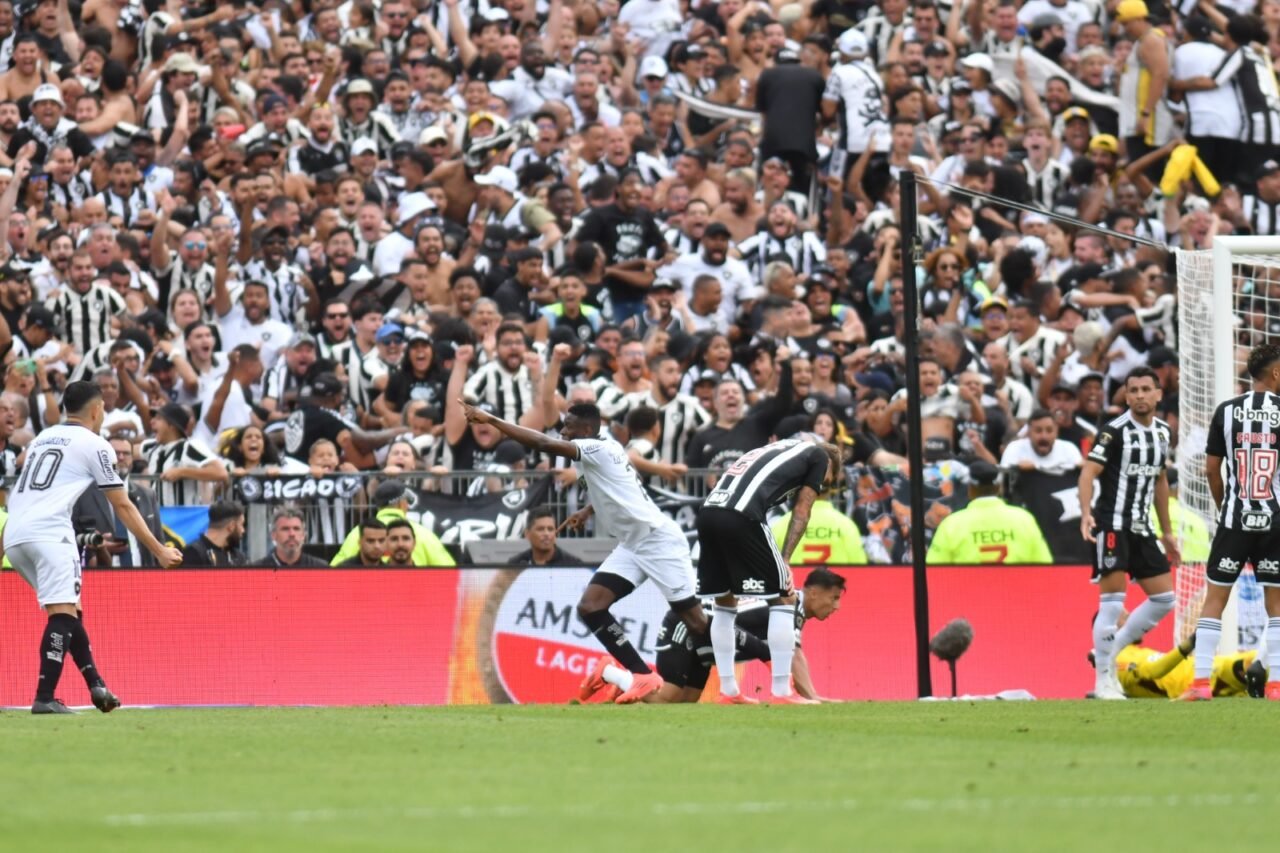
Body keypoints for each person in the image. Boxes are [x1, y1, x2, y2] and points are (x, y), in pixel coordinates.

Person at [461, 400, 705, 705]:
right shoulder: (606, 447)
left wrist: (492, 419)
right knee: (590, 607)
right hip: (632, 545)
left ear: (587, 430)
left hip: (658, 542)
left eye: (568, 426)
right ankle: (641, 674)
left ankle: (734, 684)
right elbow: (623, 484)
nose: (563, 432)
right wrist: (589, 510)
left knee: (697, 623)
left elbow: (541, 442)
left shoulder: (595, 448)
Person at [0, 380, 182, 715]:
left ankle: (96, 684)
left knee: (71, 613)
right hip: (51, 534)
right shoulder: (96, 444)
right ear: (97, 410)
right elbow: (122, 504)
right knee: (62, 615)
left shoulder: (42, 438)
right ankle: (44, 697)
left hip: (15, 535)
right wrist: (158, 549)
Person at [695, 435, 843, 704]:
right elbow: (802, 510)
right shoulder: (819, 456)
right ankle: (782, 692)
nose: (821, 485)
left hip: (708, 514)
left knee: (725, 602)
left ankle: (729, 692)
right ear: (830, 465)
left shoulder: (779, 448)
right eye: (826, 480)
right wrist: (785, 560)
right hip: (742, 514)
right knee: (785, 597)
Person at [1181, 343, 1280, 701]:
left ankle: (1200, 685)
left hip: (1234, 519)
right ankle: (1276, 686)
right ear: (1276, 373)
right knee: (1276, 605)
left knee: (1215, 599)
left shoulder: (1226, 410)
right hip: (1274, 520)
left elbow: (1212, 469)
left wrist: (1225, 506)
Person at [1077, 366, 1178, 700]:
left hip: (1142, 527)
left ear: (1158, 394)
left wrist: (1166, 532)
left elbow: (1160, 480)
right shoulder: (1113, 432)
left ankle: (1107, 654)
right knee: (1112, 603)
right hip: (1112, 526)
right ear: (1126, 395)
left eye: (1146, 389)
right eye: (1133, 390)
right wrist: (1086, 513)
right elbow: (1088, 473)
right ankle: (1103, 681)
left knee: (1164, 599)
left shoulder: (1163, 432)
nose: (1139, 396)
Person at [604, 568, 847, 704]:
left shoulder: (789, 603)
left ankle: (625, 684)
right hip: (687, 623)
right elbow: (794, 655)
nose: (836, 606)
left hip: (705, 636)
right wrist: (813, 698)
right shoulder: (789, 605)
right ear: (813, 593)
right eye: (834, 598)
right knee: (668, 699)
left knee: (683, 704)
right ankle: (610, 673)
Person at [926, 461, 1054, 564]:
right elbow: (1044, 564)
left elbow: (934, 571)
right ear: (999, 487)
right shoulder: (1024, 519)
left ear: (970, 489)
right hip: (1016, 588)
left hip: (968, 589)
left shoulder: (952, 524)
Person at [330, 481, 454, 567]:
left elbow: (334, 571)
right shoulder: (423, 533)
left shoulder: (359, 533)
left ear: (378, 506)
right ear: (403, 504)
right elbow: (449, 570)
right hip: (414, 592)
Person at [770, 484, 869, 566]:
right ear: (830, 490)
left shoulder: (782, 524)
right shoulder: (846, 525)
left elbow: (770, 565)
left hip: (794, 583)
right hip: (835, 583)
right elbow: (860, 568)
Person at [181, 500, 247, 567]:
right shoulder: (194, 553)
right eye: (241, 525)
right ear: (231, 526)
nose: (243, 530)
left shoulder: (238, 557)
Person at [256, 508, 330, 568]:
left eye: (296, 529)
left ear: (303, 535)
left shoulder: (320, 568)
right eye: (285, 529)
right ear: (273, 535)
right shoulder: (257, 570)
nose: (292, 534)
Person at [508, 506, 581, 566]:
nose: (546, 534)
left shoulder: (573, 565)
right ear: (527, 534)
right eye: (540, 529)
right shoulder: (515, 564)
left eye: (550, 529)